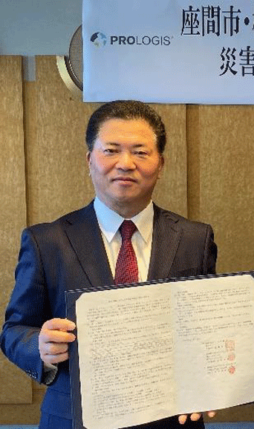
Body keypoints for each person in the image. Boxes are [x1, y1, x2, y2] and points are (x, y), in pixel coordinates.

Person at [0, 100, 217, 429]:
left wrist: (213, 377)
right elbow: (14, 330)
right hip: (75, 418)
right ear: (90, 160)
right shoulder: (46, 241)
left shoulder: (194, 238)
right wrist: (39, 346)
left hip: (172, 418)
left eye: (140, 152)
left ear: (160, 164)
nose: (125, 164)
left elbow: (208, 328)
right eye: (111, 150)